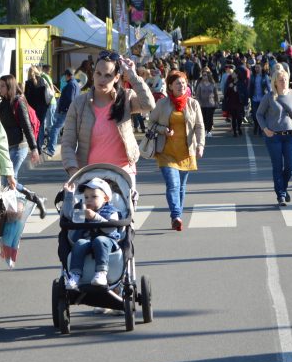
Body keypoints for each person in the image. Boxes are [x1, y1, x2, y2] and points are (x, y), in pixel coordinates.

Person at [61, 51, 155, 182]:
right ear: (93, 74)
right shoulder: (79, 104)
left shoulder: (126, 97)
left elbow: (149, 104)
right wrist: (73, 170)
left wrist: (132, 75)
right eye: (98, 74)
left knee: (124, 203)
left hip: (123, 174)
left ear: (117, 77)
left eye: (108, 75)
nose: (102, 79)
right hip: (90, 176)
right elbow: (67, 143)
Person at [148, 71, 205, 230]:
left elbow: (200, 126)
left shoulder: (193, 104)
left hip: (186, 152)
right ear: (170, 86)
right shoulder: (162, 104)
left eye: (184, 83)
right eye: (178, 83)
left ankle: (177, 214)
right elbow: (150, 123)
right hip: (166, 151)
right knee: (173, 184)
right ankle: (176, 216)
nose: (182, 86)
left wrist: (200, 145)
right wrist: (163, 130)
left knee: (181, 186)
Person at [64, 177, 121, 289]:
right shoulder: (82, 211)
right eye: (86, 197)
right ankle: (75, 274)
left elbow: (111, 228)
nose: (88, 200)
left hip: (107, 242)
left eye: (94, 196)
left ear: (105, 198)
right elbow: (68, 215)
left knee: (100, 240)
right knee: (79, 243)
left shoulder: (111, 211)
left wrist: (95, 217)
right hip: (87, 241)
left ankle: (101, 273)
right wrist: (69, 195)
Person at [255, 65, 292, 206]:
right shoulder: (270, 96)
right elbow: (259, 114)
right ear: (275, 82)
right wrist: (264, 129)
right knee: (277, 166)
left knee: (290, 166)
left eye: (285, 79)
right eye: (280, 80)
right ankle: (280, 195)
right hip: (274, 136)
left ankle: (283, 188)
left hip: (290, 135)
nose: (284, 82)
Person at [0, 74, 40, 178]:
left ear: (9, 87)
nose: (0, 88)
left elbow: (27, 126)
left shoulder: (18, 102)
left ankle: (28, 195)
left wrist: (34, 148)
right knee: (8, 180)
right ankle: (30, 194)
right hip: (7, 146)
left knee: (9, 179)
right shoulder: (3, 103)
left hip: (19, 146)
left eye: (2, 86)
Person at [23, 66, 50, 150]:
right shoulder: (42, 80)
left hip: (33, 109)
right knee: (41, 126)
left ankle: (36, 146)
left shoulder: (28, 83)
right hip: (43, 107)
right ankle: (40, 146)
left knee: (34, 127)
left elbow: (27, 98)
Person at [193, 67, 219, 137]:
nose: (204, 76)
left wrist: (217, 101)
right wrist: (198, 102)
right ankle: (204, 130)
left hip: (211, 104)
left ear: (208, 76)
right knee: (204, 118)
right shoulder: (200, 84)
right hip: (202, 104)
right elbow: (197, 94)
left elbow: (216, 94)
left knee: (209, 118)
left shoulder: (212, 84)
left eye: (205, 75)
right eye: (203, 75)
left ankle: (209, 130)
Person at [249, 64, 271, 136]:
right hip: (254, 98)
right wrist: (248, 95)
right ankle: (256, 126)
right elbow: (249, 87)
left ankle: (260, 129)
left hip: (263, 98)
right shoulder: (252, 77)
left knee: (262, 115)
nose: (257, 69)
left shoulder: (265, 77)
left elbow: (269, 87)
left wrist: (271, 96)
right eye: (256, 67)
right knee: (255, 115)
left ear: (261, 68)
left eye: (258, 67)